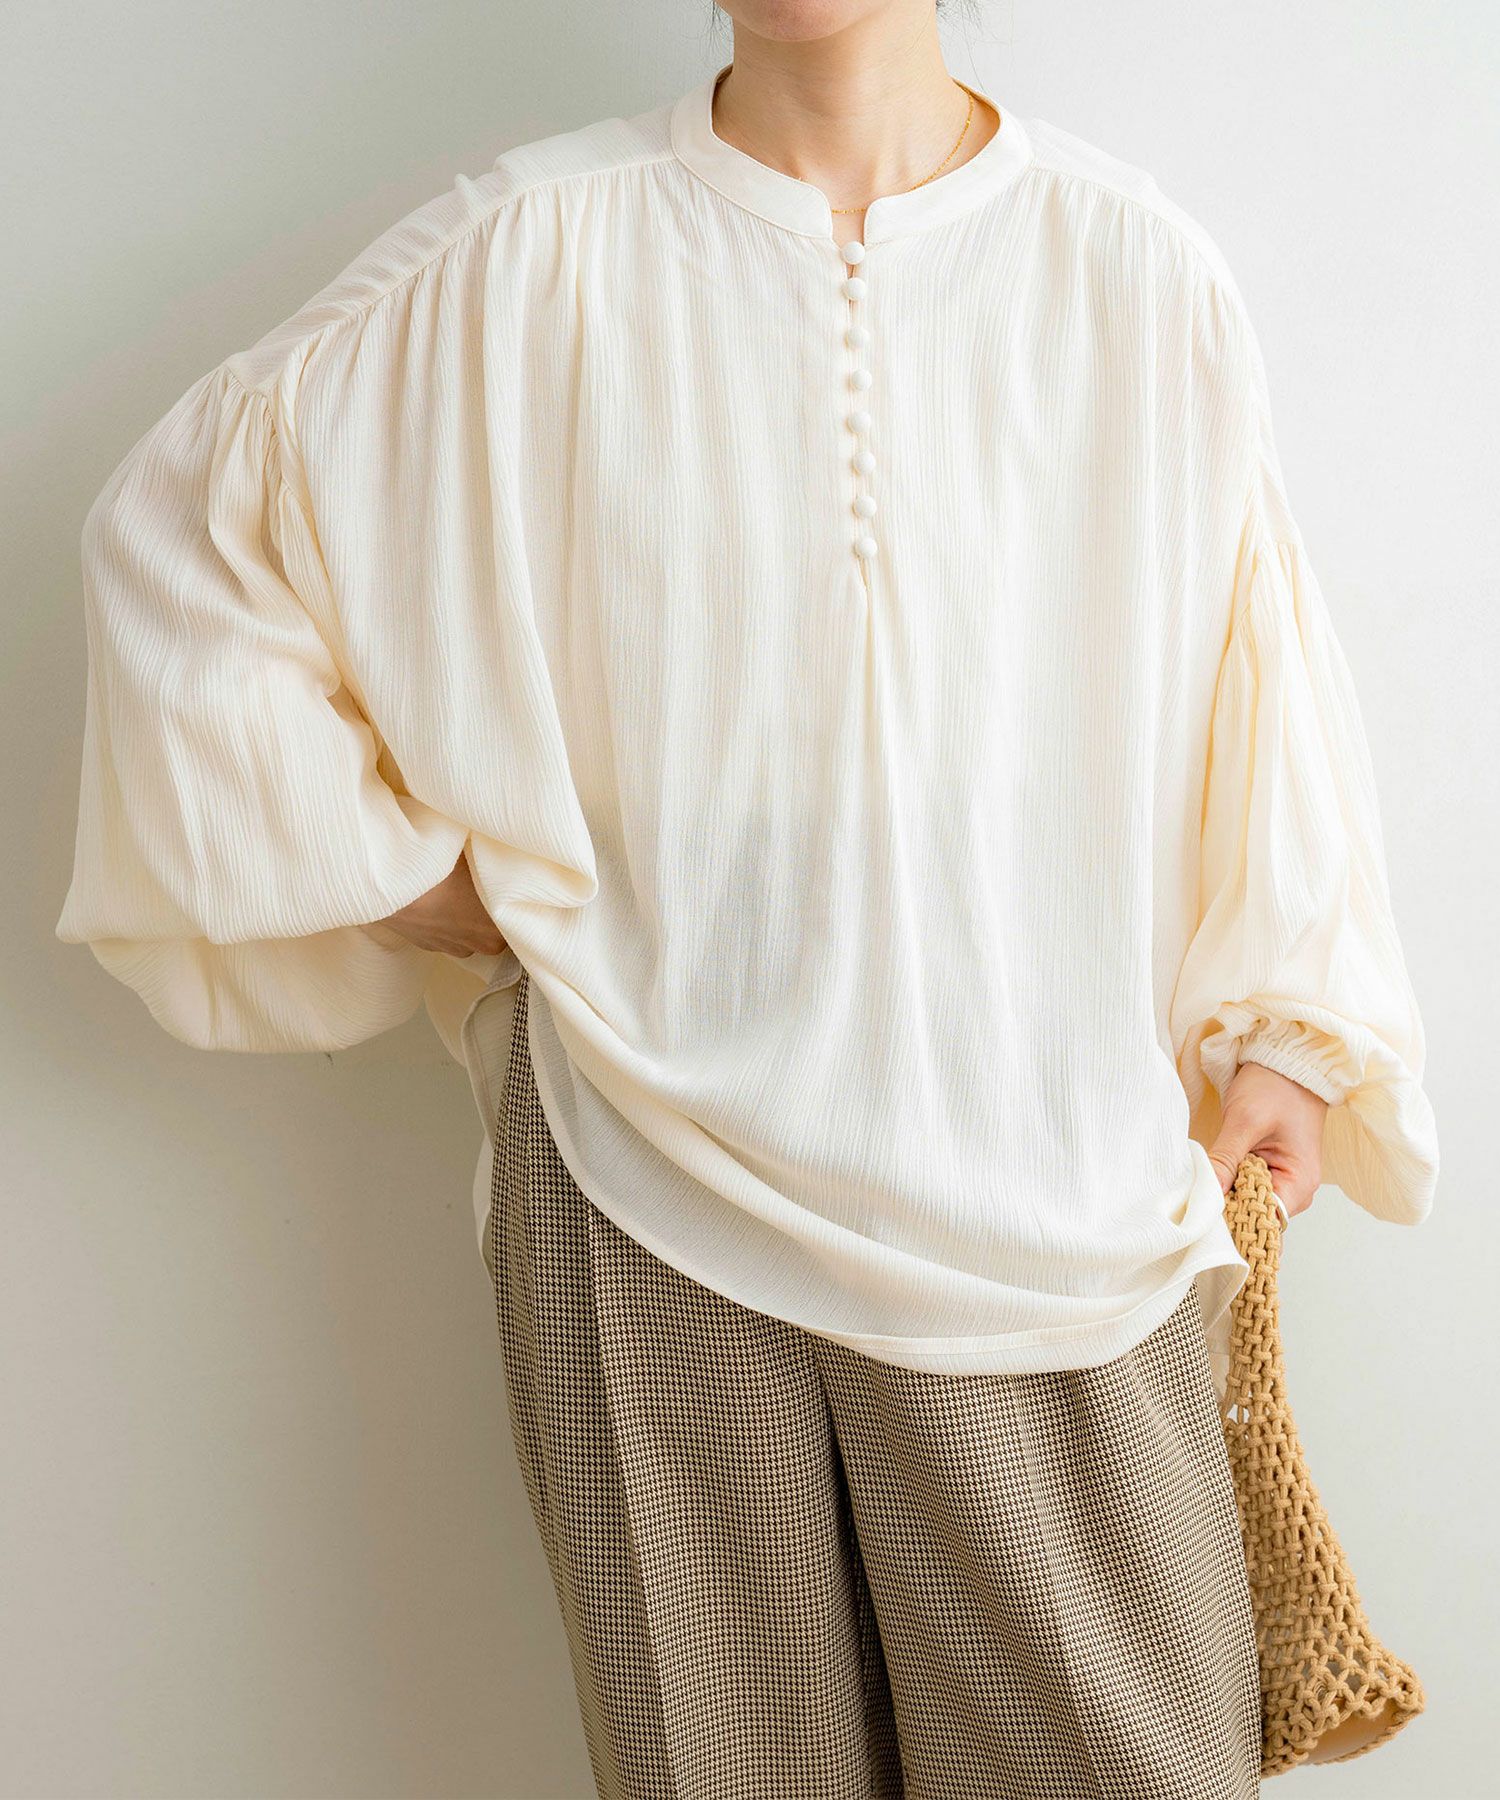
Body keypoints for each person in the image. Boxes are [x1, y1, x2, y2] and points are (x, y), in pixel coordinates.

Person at [55, 1, 1439, 1794]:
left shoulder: (1128, 264)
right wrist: (395, 871)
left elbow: (1257, 660)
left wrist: (1292, 1024)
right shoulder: (530, 247)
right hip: (646, 1184)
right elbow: (172, 543)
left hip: (1057, 1190)